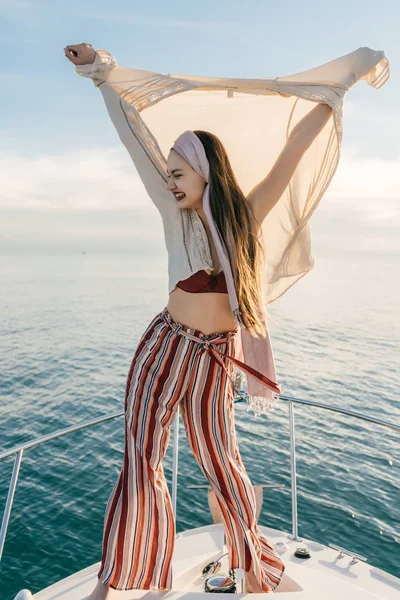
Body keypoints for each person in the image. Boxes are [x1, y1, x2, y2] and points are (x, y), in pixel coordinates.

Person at [63, 42, 388, 598]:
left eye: (178, 170)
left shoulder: (245, 215)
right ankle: (115, 581)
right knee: (140, 464)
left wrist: (338, 91)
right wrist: (102, 75)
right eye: (166, 172)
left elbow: (293, 153)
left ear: (205, 168)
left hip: (215, 356)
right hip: (164, 348)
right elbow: (135, 140)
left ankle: (255, 572)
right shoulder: (174, 215)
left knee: (225, 466)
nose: (169, 180)